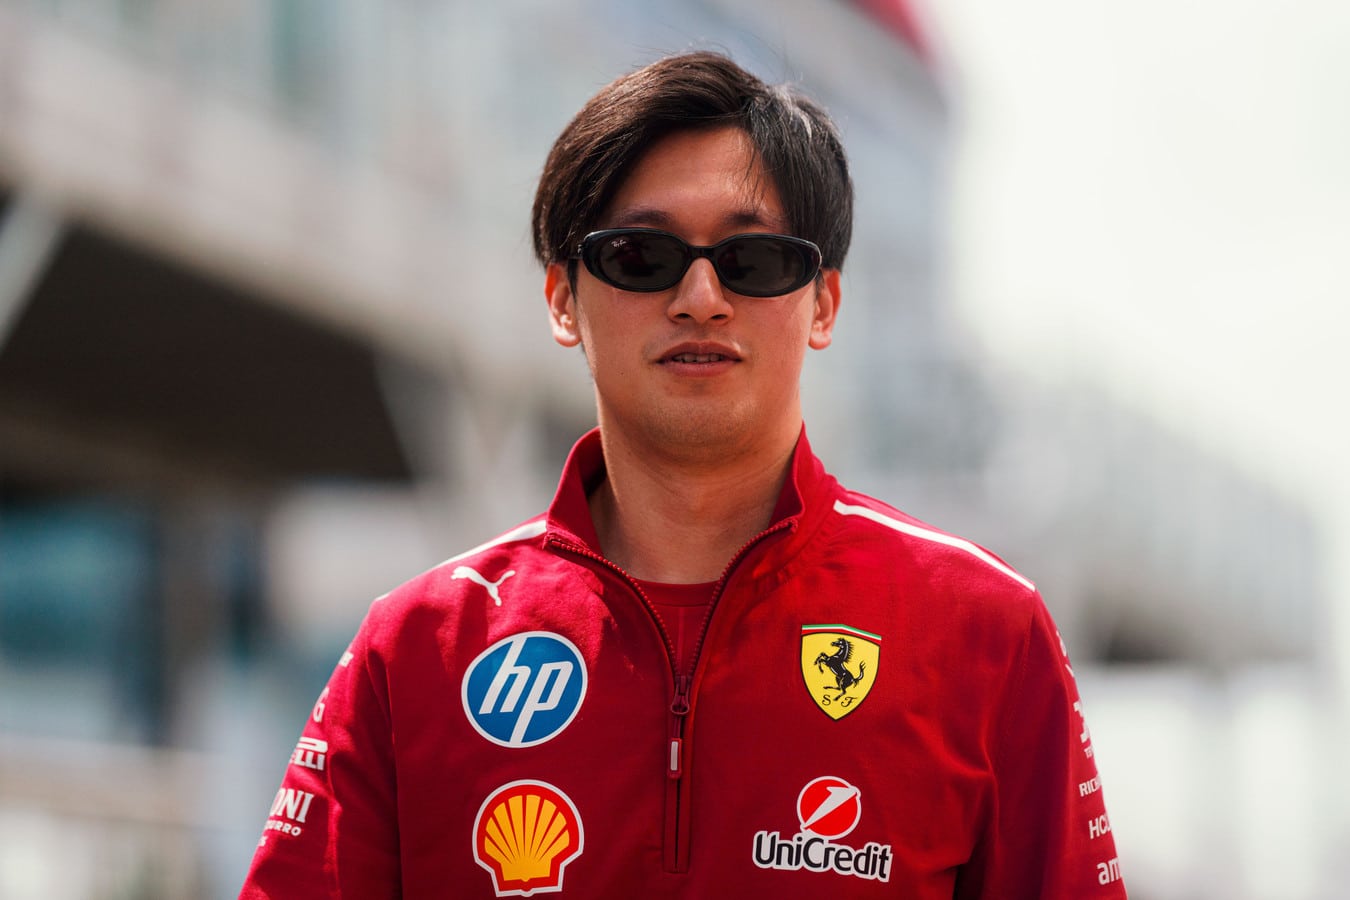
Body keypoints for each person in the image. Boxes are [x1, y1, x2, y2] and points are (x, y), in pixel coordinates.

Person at [239, 51, 1125, 898]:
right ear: (562, 299)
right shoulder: (415, 648)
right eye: (642, 257)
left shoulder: (985, 632)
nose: (701, 298)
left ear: (822, 304)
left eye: (754, 261)